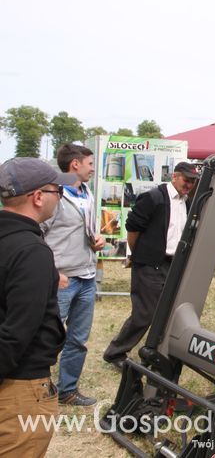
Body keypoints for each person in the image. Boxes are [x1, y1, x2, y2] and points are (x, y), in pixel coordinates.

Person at [0, 157, 73, 456]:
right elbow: (16, 333)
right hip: (20, 388)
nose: (61, 198)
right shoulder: (31, 251)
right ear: (38, 196)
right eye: (59, 191)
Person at [103, 161, 199, 365]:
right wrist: (138, 254)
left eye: (192, 181)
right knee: (145, 313)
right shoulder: (155, 197)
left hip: (173, 264)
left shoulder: (187, 202)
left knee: (169, 312)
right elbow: (133, 227)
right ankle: (115, 353)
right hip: (150, 263)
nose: (189, 184)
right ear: (174, 176)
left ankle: (156, 351)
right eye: (186, 179)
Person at [41, 144, 105, 406]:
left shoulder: (86, 192)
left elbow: (84, 228)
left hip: (87, 277)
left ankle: (68, 390)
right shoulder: (53, 196)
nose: (93, 168)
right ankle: (39, 388)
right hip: (63, 279)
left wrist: (95, 240)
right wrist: (52, 271)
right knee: (47, 336)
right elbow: (38, 235)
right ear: (75, 164)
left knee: (78, 338)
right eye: (90, 163)